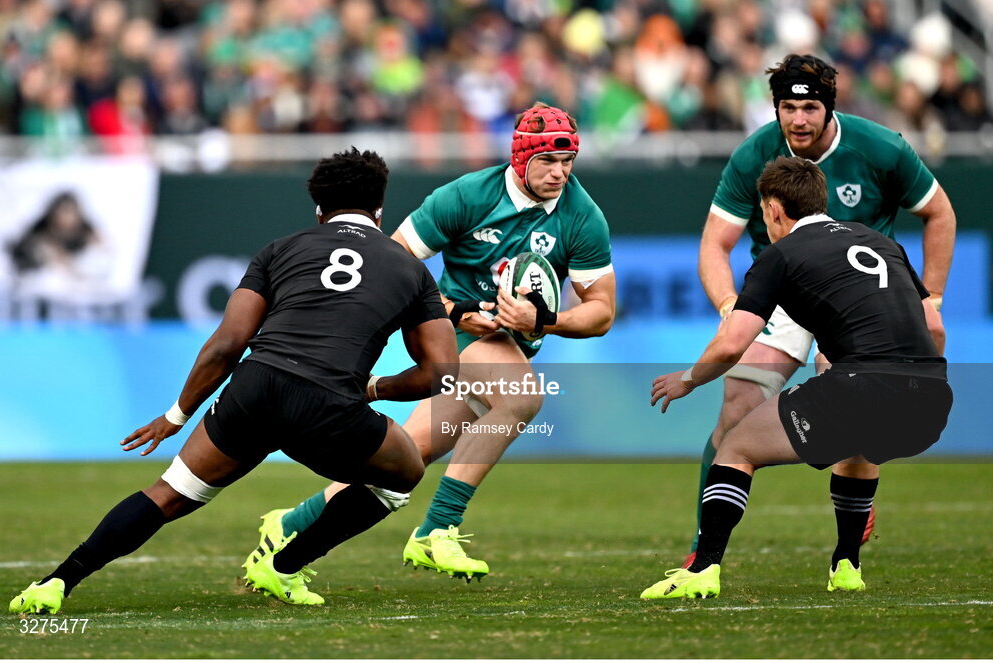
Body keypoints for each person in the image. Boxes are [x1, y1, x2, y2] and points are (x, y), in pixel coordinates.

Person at [9, 148, 459, 614]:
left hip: (255, 391)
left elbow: (227, 344)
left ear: (319, 210)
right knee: (403, 474)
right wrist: (373, 388)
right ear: (380, 211)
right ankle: (284, 566)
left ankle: (56, 582)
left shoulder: (280, 250)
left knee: (169, 495)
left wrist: (176, 415)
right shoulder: (412, 271)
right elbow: (442, 374)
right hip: (329, 405)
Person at [245, 102, 615, 582]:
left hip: (508, 341)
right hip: (447, 332)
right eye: (547, 160)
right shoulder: (466, 195)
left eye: (567, 162)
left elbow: (602, 310)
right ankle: (437, 530)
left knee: (405, 458)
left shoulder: (582, 215)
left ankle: (287, 524)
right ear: (519, 157)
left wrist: (544, 319)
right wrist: (458, 311)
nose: (559, 173)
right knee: (522, 396)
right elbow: (387, 265)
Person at [687, 53, 956, 566]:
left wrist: (933, 297)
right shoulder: (753, 155)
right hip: (782, 292)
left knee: (857, 407)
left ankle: (847, 549)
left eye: (810, 107)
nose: (798, 119)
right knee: (738, 402)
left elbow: (938, 213)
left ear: (829, 108)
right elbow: (713, 244)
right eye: (788, 107)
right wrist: (728, 306)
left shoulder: (881, 148)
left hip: (859, 301)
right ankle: (703, 546)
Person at [644, 156, 951, 599]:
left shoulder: (780, 255)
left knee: (735, 446)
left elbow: (733, 343)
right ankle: (847, 566)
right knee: (859, 445)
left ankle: (703, 568)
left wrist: (688, 380)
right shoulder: (881, 242)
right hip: (932, 401)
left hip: (863, 386)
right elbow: (935, 327)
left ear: (772, 210)